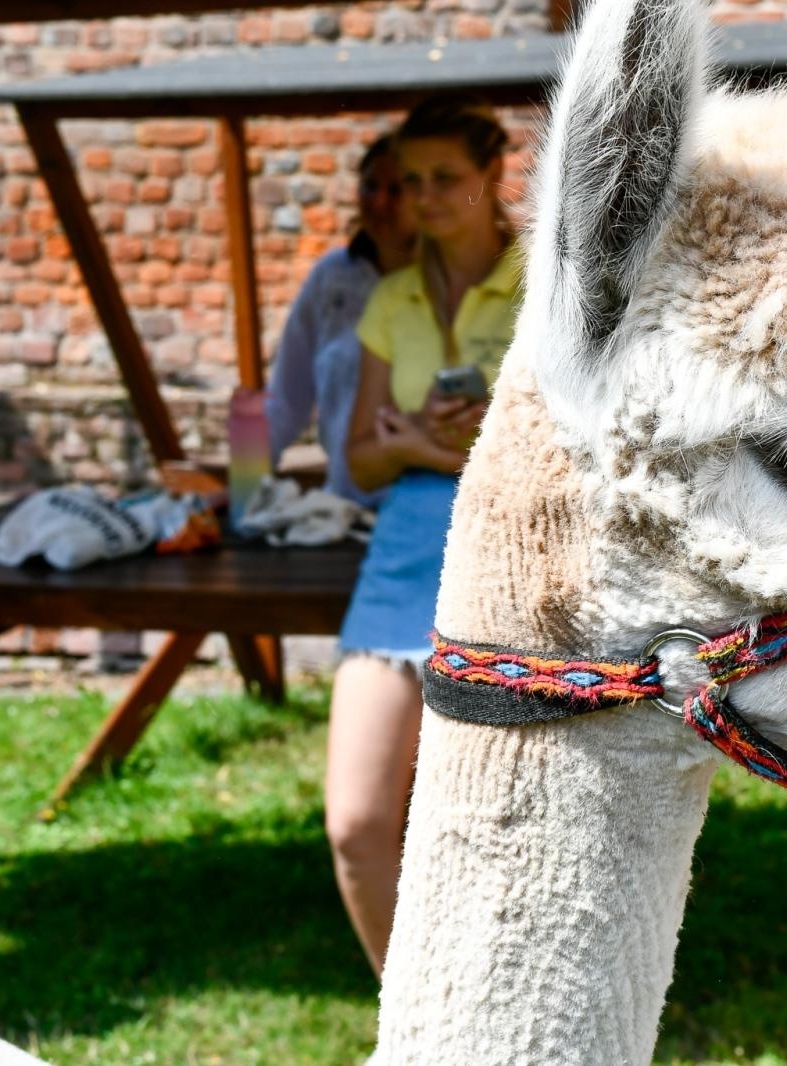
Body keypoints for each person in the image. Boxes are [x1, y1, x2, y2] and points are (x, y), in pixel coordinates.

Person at [324, 96, 521, 976]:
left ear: (492, 177)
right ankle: (412, 1012)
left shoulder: (544, 282)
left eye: (446, 178)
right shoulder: (392, 298)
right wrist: (414, 442)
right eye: (411, 183)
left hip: (516, 548)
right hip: (404, 549)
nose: (426, 197)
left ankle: (498, 1005)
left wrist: (475, 435)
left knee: (498, 822)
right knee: (358, 822)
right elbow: (360, 460)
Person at [264, 133, 415, 505]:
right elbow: (287, 397)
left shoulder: (450, 283)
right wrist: (243, 484)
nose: (380, 202)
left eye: (396, 189)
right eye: (370, 186)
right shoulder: (332, 277)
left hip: (428, 512)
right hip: (345, 505)